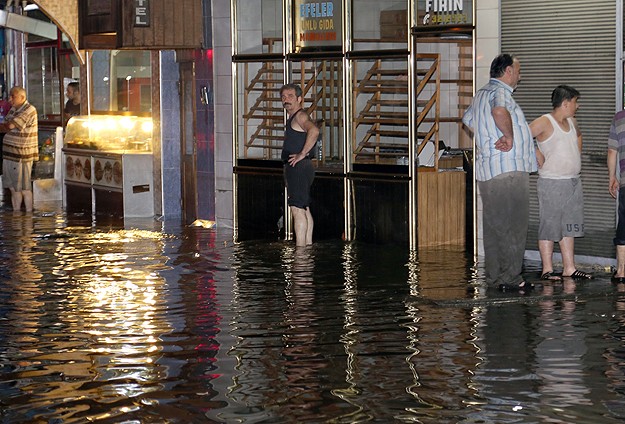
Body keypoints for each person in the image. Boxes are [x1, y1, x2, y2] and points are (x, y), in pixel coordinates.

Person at [462, 54, 538, 291]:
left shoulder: (480, 93)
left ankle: (495, 278)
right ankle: (512, 279)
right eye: (518, 70)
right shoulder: (500, 91)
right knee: (514, 225)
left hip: (489, 171)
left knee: (494, 227)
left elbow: (466, 119)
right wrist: (508, 136)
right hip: (509, 169)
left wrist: (486, 141)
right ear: (507, 71)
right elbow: (499, 112)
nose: (520, 76)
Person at [530, 85, 592, 281]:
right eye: (575, 102)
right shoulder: (544, 121)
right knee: (549, 225)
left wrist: (575, 156)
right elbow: (522, 135)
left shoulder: (572, 122)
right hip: (551, 183)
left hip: (572, 182)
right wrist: (535, 152)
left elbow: (579, 136)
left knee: (569, 226)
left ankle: (569, 268)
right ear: (565, 103)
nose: (578, 106)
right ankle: (547, 270)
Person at [280, 83, 319, 247]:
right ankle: (307, 247)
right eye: (283, 97)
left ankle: (301, 252)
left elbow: (314, 131)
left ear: (299, 99)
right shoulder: (294, 117)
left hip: (299, 167)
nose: (286, 99)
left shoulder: (300, 116)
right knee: (304, 208)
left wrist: (302, 153)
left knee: (297, 209)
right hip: (303, 167)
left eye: (290, 96)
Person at [1, 86, 38, 212]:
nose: (10, 99)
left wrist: (6, 126)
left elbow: (9, 126)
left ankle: (28, 215)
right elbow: (5, 124)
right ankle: (16, 214)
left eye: (13, 96)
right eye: (10, 96)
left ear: (22, 97)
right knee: (12, 187)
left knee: (23, 188)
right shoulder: (13, 109)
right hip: (9, 154)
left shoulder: (29, 109)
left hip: (21, 154)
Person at [608, 110, 625, 284]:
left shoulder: (619, 117)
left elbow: (612, 151)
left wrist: (612, 177)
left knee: (624, 224)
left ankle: (621, 271)